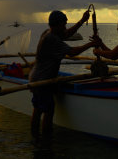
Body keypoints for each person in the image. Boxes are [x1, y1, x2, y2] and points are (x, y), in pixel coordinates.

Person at [29, 10, 100, 140]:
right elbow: (72, 52)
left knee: (38, 108)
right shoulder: (52, 39)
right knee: (48, 110)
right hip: (43, 81)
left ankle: (34, 136)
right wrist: (91, 44)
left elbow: (67, 33)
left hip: (36, 77)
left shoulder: (48, 33)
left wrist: (82, 20)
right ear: (56, 25)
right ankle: (46, 141)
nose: (65, 27)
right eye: (63, 24)